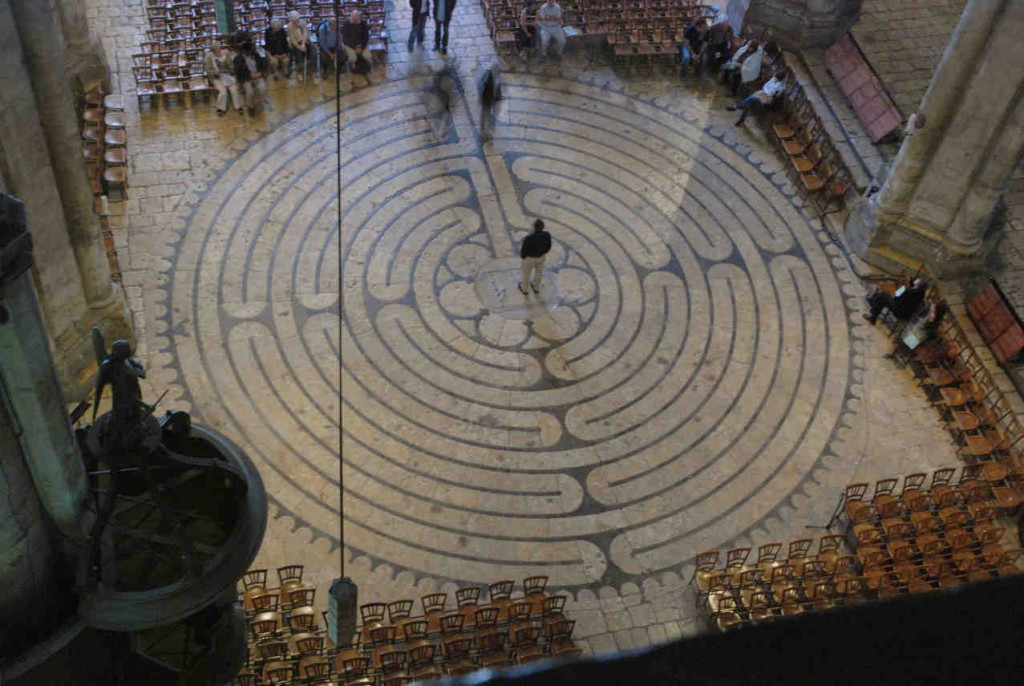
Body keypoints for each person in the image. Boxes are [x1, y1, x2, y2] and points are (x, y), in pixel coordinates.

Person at [887, 300, 948, 365]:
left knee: (902, 343)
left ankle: (895, 356)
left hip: (916, 333)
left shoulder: (932, 317)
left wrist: (932, 307)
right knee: (906, 347)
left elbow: (928, 318)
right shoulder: (938, 320)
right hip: (919, 335)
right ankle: (900, 359)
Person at [233, 39, 269, 116]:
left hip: (258, 76)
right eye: (247, 52)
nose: (249, 53)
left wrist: (260, 73)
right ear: (243, 51)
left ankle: (260, 102)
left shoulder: (255, 55)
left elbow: (263, 66)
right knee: (249, 92)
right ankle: (251, 106)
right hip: (246, 79)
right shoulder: (238, 59)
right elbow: (238, 73)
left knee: (262, 88)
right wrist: (250, 76)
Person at [204, 42, 240, 116]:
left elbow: (231, 66)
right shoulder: (209, 57)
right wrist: (214, 72)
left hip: (227, 76)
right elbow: (207, 70)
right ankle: (221, 108)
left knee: (234, 89)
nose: (218, 53)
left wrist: (229, 69)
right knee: (223, 92)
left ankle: (238, 106)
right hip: (216, 78)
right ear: (213, 52)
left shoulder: (226, 53)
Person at [519, 219, 552, 295]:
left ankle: (525, 290)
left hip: (529, 259)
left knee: (526, 275)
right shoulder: (547, 235)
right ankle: (536, 288)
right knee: (539, 273)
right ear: (543, 227)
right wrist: (543, 253)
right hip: (541, 257)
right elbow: (549, 246)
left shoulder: (528, 238)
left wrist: (523, 257)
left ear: (534, 227)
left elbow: (524, 250)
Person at [479, 64, 502, 142]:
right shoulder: (488, 77)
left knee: (489, 116)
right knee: (484, 115)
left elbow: (498, 89)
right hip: (486, 100)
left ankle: (487, 132)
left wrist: (498, 99)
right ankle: (483, 132)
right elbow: (482, 87)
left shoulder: (498, 78)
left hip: (492, 101)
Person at [286, 10, 309, 82]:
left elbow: (305, 33)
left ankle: (310, 71)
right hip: (295, 44)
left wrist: (303, 44)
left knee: (313, 51)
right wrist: (300, 47)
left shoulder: (302, 22)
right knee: (299, 57)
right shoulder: (289, 26)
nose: (296, 22)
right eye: (294, 21)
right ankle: (299, 73)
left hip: (304, 41)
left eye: (297, 20)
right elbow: (292, 39)